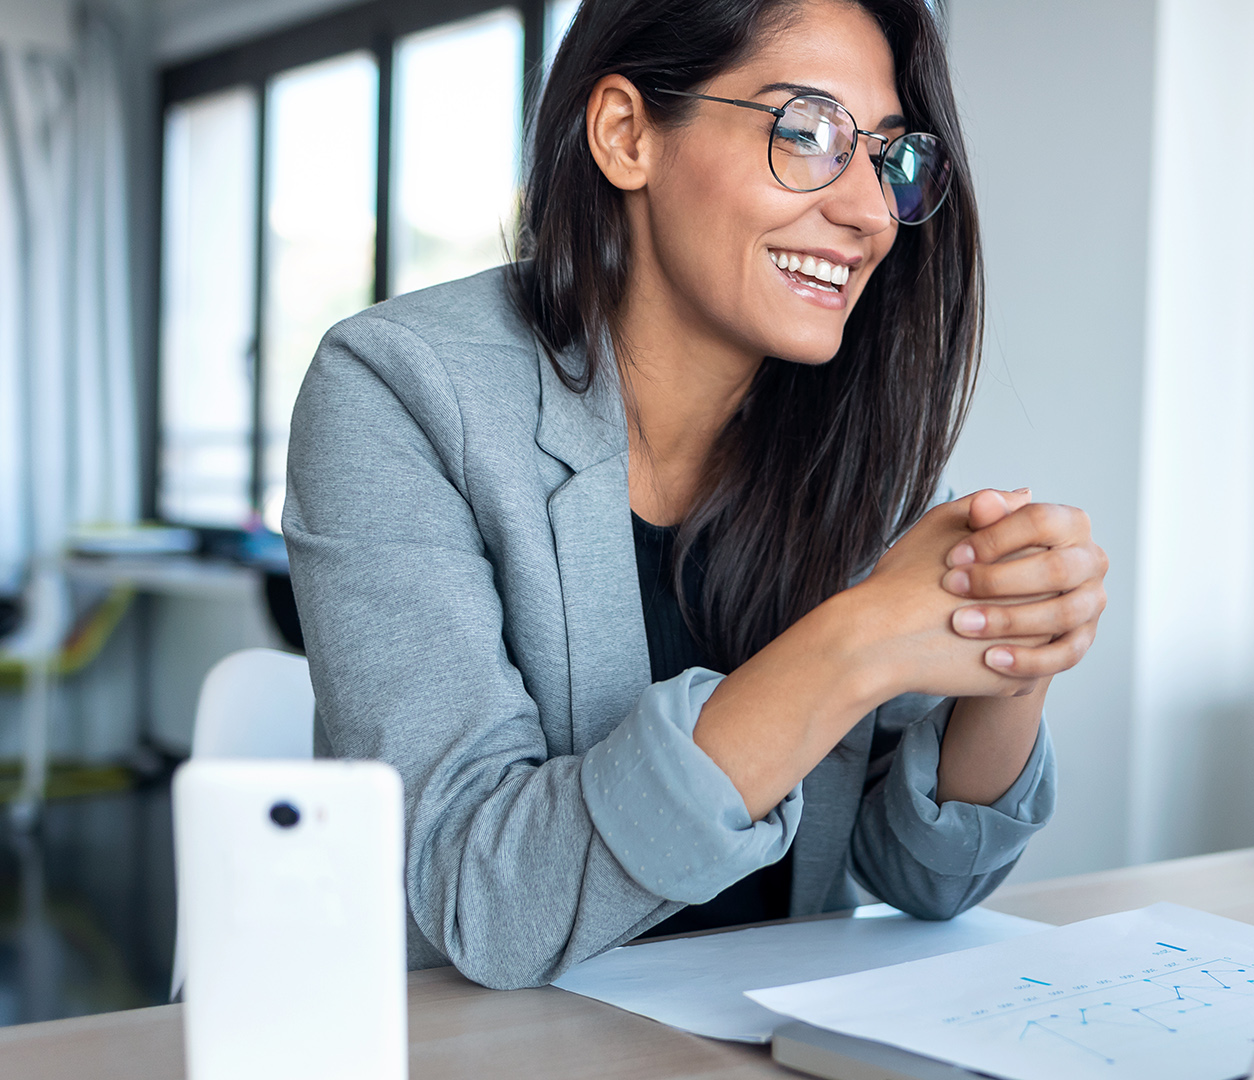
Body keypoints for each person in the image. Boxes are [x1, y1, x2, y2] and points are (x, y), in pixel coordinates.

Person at [282, 0, 1108, 990]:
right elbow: (483, 894)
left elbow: (921, 879)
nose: (870, 211)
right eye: (806, 133)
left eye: (888, 156)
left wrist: (1012, 652)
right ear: (627, 134)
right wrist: (857, 643)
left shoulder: (846, 436)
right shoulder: (395, 389)